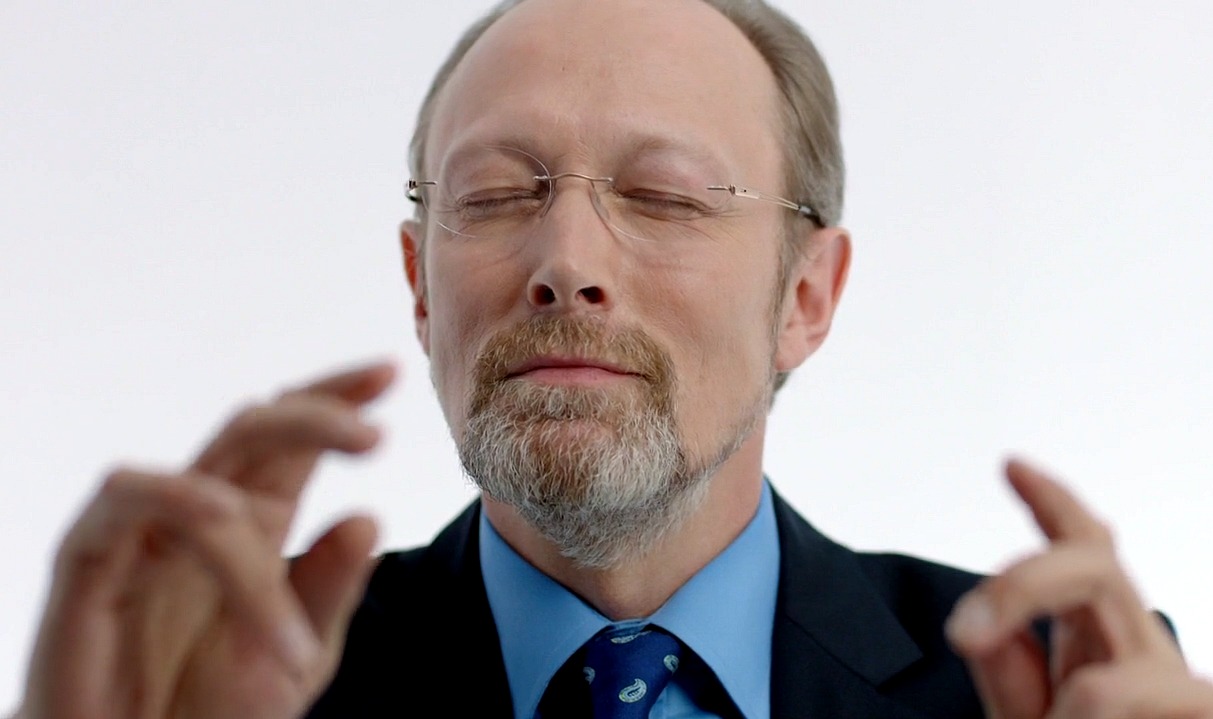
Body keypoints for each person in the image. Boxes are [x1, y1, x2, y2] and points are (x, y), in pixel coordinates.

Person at [11, 0, 1213, 717]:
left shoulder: (1053, 694)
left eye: (665, 195)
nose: (566, 260)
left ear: (804, 297)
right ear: (421, 284)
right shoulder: (200, 687)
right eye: (496, 193)